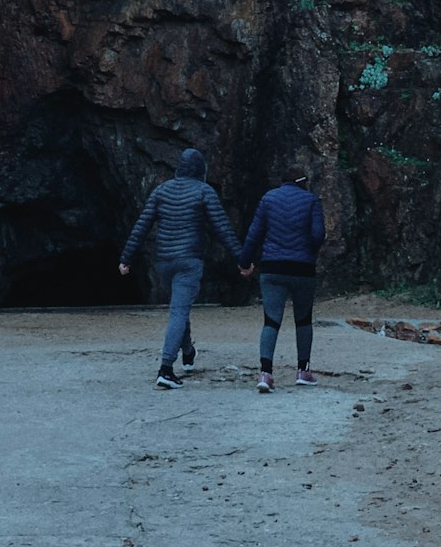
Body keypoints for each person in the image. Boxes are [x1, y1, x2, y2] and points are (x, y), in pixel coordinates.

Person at [119, 148, 252, 389]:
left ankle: (188, 352)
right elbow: (222, 228)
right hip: (189, 260)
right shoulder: (204, 191)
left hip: (164, 262)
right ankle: (166, 369)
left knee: (180, 307)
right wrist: (243, 260)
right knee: (178, 312)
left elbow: (142, 225)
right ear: (201, 170)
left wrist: (126, 258)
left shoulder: (161, 190)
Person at [241, 165, 325, 391]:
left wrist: (244, 261)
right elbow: (318, 235)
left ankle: (265, 374)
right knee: (303, 319)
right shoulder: (311, 201)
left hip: (272, 268)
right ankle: (303, 371)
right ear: (301, 181)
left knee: (271, 320)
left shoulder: (269, 199)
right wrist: (308, 249)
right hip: (303, 269)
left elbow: (254, 233)